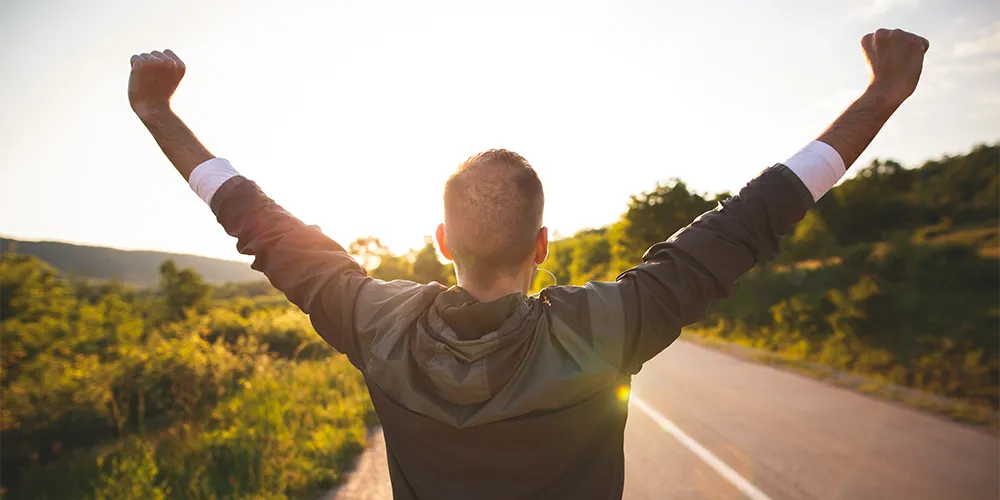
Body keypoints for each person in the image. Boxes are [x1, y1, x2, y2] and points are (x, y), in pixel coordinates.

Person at [128, 28, 928, 500]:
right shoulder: (606, 327)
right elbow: (753, 218)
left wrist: (159, 112)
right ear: (542, 246)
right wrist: (882, 94)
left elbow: (257, 222)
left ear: (443, 241)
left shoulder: (375, 324)